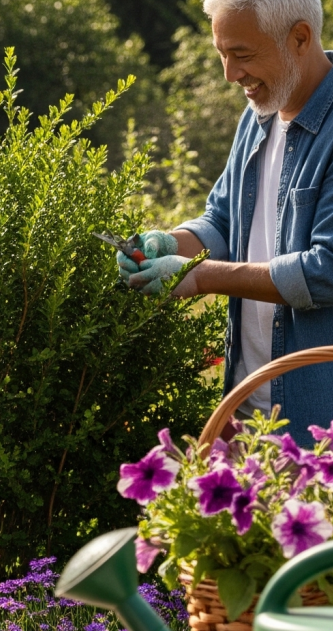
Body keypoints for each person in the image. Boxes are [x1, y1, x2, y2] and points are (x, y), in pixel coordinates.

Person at [123, 0, 333, 445]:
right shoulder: (258, 116)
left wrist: (201, 276)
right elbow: (223, 221)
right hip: (247, 413)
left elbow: (326, 270)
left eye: (242, 54)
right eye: (222, 54)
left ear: (300, 38)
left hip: (317, 428)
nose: (230, 74)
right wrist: (170, 244)